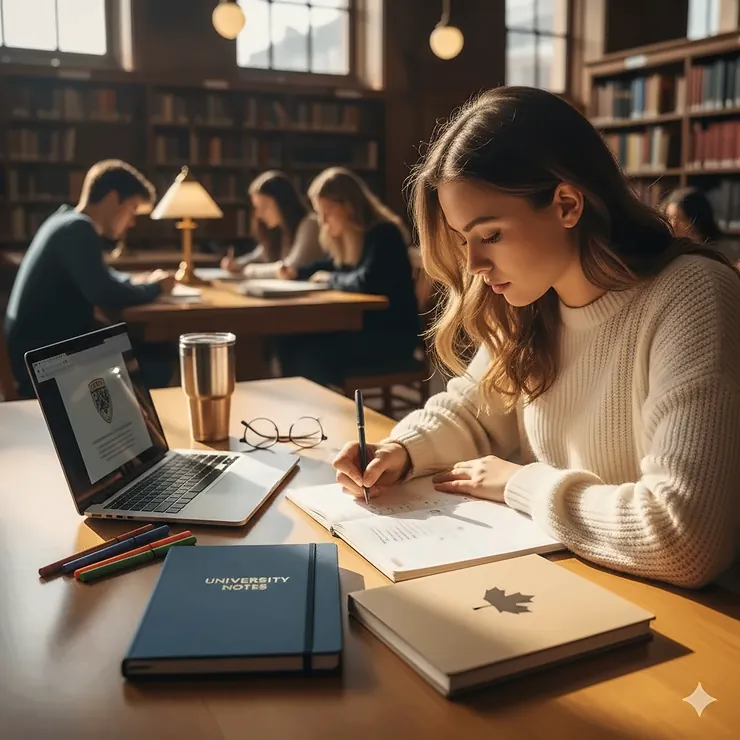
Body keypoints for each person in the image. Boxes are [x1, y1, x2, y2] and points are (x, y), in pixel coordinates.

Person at [332, 87, 740, 590]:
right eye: (464, 240)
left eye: (492, 235)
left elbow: (685, 536)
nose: (475, 266)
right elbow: (473, 410)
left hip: (698, 621)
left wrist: (520, 483)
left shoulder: (691, 295)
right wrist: (402, 450)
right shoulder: (531, 300)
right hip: (581, 578)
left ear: (567, 204)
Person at [4, 159, 176, 399]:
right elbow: (106, 294)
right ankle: (142, 432)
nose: (132, 222)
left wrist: (135, 281)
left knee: (149, 352)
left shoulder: (64, 220)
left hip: (36, 351)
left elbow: (103, 277)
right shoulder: (79, 230)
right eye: (133, 209)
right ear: (114, 198)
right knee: (159, 362)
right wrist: (155, 287)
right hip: (44, 362)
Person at [275, 167, 421, 387]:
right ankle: (305, 409)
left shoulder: (384, 234)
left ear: (349, 206)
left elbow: (366, 280)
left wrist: (328, 279)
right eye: (319, 212)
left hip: (391, 336)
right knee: (288, 341)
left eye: (328, 211)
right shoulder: (353, 237)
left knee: (309, 353)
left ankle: (322, 412)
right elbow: (335, 265)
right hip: (364, 329)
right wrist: (298, 272)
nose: (323, 220)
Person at [220, 170, 322, 278]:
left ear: (283, 203)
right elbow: (258, 257)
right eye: (257, 207)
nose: (259, 214)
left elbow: (290, 268)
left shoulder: (310, 224)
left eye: (265, 207)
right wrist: (236, 264)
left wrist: (249, 270)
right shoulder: (278, 230)